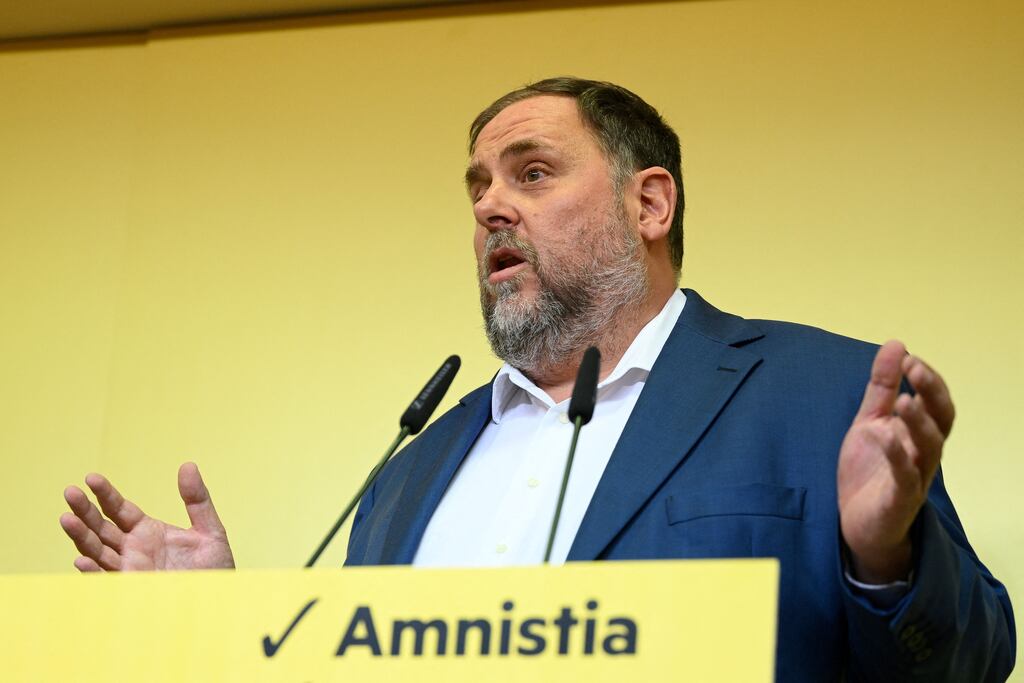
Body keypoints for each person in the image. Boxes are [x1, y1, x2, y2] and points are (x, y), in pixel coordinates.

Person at [60, 77, 1015, 681]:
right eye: (476, 186)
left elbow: (971, 662)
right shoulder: (409, 471)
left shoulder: (823, 392)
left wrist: (884, 556)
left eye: (531, 172)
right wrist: (234, 632)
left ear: (649, 203)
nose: (489, 207)